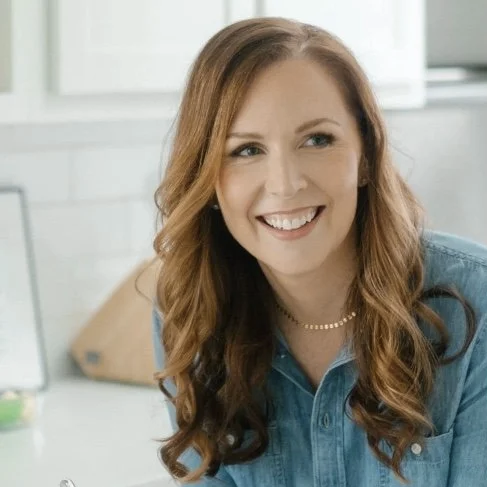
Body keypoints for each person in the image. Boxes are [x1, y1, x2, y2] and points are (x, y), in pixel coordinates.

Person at [151, 17, 487, 487]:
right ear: (208, 179)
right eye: (246, 150)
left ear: (365, 156)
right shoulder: (189, 313)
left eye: (317, 140)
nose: (286, 183)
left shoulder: (476, 304)